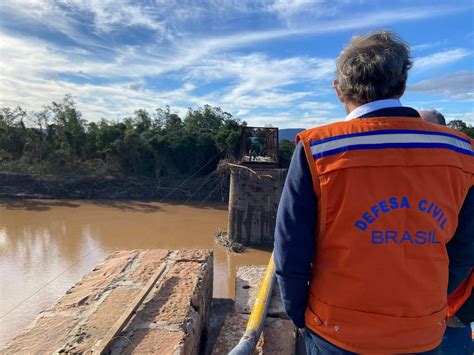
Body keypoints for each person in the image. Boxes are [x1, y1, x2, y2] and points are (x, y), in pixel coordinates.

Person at [273, 31, 474, 354]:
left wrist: (300, 315)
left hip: (337, 332)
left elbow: (290, 249)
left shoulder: (319, 148)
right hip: (423, 332)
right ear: (403, 84)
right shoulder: (461, 151)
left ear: (338, 90)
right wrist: (430, 304)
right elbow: (465, 249)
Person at [419, 109, 474, 355]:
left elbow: (465, 249)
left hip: (454, 304)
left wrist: (435, 295)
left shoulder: (464, 173)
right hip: (426, 304)